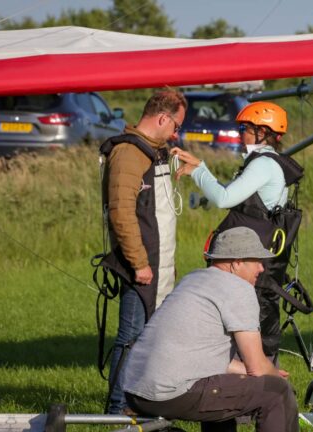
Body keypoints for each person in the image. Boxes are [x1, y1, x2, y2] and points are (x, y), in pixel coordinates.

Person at [122, 226, 299, 432]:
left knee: (226, 388)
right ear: (237, 262)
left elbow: (202, 355)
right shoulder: (238, 288)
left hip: (135, 390)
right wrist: (275, 376)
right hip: (167, 393)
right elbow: (257, 367)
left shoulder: (194, 280)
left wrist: (244, 371)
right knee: (277, 393)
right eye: (256, 261)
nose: (261, 268)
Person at [171, 101, 303, 363]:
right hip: (260, 253)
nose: (241, 133)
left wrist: (199, 170)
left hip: (253, 258)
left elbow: (225, 198)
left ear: (262, 132)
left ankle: (258, 384)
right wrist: (202, 185)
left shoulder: (263, 165)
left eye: (245, 128)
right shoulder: (263, 162)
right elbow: (237, 197)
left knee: (248, 319)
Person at [99, 87, 187, 414]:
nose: (176, 133)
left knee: (151, 339)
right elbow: (121, 211)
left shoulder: (153, 150)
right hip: (141, 267)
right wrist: (139, 263)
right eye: (175, 125)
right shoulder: (129, 153)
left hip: (157, 264)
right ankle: (118, 411)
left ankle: (143, 405)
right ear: (162, 118)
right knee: (131, 338)